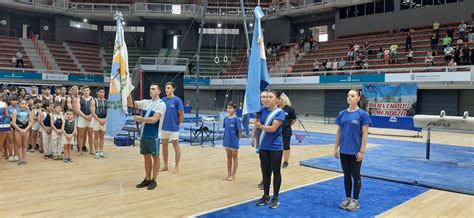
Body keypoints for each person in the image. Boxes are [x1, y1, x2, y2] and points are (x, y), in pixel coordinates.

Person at [334, 89, 371, 212]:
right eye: (348, 95)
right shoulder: (342, 114)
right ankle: (348, 198)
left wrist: (362, 151)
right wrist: (336, 148)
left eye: (352, 95)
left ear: (358, 98)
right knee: (346, 175)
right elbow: (339, 132)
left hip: (356, 152)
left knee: (356, 175)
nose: (349, 97)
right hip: (344, 151)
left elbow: (365, 134)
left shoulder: (363, 114)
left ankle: (355, 200)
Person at [128, 84, 166, 190]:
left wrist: (141, 119)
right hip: (144, 135)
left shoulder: (161, 104)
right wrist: (127, 90)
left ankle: (154, 180)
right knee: (146, 157)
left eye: (153, 89)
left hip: (154, 136)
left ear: (159, 91)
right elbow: (130, 103)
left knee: (156, 158)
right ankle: (147, 179)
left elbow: (154, 119)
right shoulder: (145, 102)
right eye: (150, 89)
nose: (151, 90)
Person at [254, 90, 285, 209]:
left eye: (270, 97)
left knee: (276, 172)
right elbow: (255, 118)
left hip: (275, 147)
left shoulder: (280, 113)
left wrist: (260, 126)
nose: (267, 99)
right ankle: (266, 195)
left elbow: (273, 128)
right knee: (265, 172)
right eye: (266, 97)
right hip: (263, 147)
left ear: (276, 100)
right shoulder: (262, 110)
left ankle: (275, 197)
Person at [161, 82, 184, 174]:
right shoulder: (162, 100)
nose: (166, 90)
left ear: (173, 89)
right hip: (164, 127)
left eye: (168, 88)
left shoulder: (177, 100)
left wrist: (180, 123)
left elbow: (181, 113)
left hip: (174, 128)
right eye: (166, 88)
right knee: (164, 146)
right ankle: (165, 165)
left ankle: (177, 167)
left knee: (176, 147)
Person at [222, 101, 242, 181]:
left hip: (234, 141)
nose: (228, 109)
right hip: (226, 141)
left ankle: (233, 175)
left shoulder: (236, 119)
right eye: (227, 108)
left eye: (230, 108)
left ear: (234, 109)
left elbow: (239, 131)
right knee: (228, 157)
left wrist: (238, 140)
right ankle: (228, 174)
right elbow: (226, 130)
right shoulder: (226, 119)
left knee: (234, 157)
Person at [11, 99, 33, 165]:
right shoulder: (15, 111)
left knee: (25, 145)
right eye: (22, 104)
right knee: (19, 145)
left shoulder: (28, 112)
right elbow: (13, 123)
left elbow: (31, 122)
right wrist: (19, 129)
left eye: (25, 104)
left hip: (26, 130)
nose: (24, 105)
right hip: (18, 130)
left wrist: (26, 129)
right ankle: (20, 159)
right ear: (19, 104)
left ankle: (24, 159)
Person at [74, 86, 94, 155]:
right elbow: (78, 110)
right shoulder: (78, 99)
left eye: (87, 90)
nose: (86, 91)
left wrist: (91, 115)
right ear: (82, 91)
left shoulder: (93, 99)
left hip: (91, 118)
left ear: (90, 91)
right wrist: (85, 116)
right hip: (82, 118)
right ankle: (80, 150)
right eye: (84, 90)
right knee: (80, 136)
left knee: (91, 135)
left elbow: (95, 109)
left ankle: (91, 149)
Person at [279, 93, 296, 169]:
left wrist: (288, 125)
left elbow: (294, 119)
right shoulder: (276, 108)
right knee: (277, 146)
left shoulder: (290, 109)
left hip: (286, 131)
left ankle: (286, 161)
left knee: (286, 146)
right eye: (279, 99)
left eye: (281, 100)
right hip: (276, 131)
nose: (280, 101)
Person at [91, 87, 107, 159]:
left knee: (102, 137)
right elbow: (93, 113)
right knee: (96, 136)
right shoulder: (94, 101)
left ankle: (101, 151)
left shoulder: (107, 101)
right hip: (96, 120)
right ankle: (96, 152)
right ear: (97, 93)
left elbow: (109, 112)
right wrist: (99, 120)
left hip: (104, 120)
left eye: (103, 92)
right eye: (100, 92)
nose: (102, 93)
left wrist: (105, 120)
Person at [7, 95, 19, 162]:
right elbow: (7, 117)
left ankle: (16, 155)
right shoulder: (8, 108)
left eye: (16, 100)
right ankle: (11, 155)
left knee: (16, 141)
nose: (15, 101)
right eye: (13, 100)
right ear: (10, 101)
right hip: (10, 125)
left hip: (17, 125)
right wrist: (12, 123)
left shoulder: (19, 108)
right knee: (10, 141)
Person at [0, 93, 10, 160]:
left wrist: (7, 128)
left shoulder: (4, 104)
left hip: (2, 127)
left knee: (0, 145)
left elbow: (6, 117)